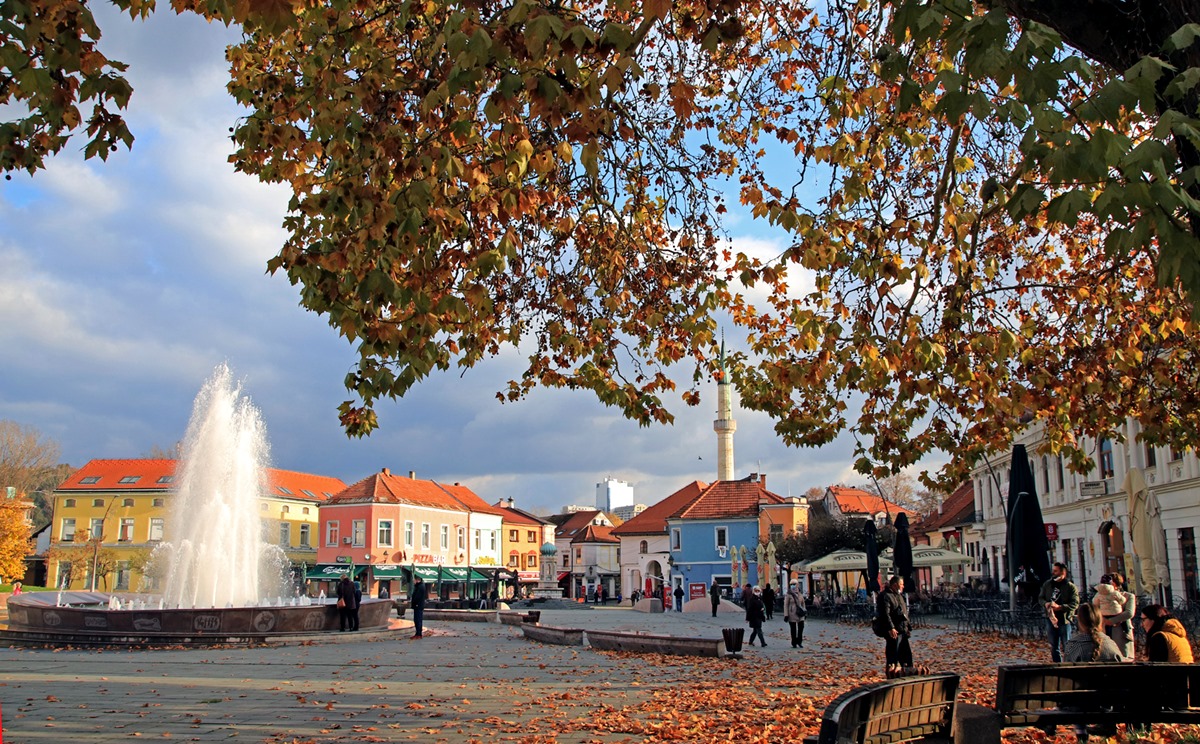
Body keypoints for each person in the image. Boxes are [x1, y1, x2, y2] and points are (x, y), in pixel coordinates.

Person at [1062, 603, 1124, 741]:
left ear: (1080, 621)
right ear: (1099, 620)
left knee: (1074, 691)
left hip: (1080, 703)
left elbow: (1065, 676)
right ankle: (1107, 727)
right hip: (1107, 703)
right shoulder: (1110, 644)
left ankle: (1081, 731)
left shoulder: (1073, 644)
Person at [1039, 562, 1079, 662]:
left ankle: (1068, 664)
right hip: (1050, 618)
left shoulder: (1070, 587)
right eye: (1053, 571)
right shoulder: (1048, 584)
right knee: (1053, 645)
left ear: (1063, 572)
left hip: (1064, 619)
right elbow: (1041, 598)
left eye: (1056, 571)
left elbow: (1075, 603)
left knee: (1067, 644)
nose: (1053, 573)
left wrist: (1061, 607)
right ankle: (1057, 664)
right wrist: (1045, 604)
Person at [874, 575, 912, 677]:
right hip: (893, 631)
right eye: (901, 584)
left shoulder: (899, 595)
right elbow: (885, 614)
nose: (903, 586)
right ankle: (891, 676)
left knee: (906, 656)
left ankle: (907, 674)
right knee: (892, 656)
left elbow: (903, 612)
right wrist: (891, 627)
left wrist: (908, 627)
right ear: (895, 585)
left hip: (902, 630)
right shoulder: (885, 596)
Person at [1097, 573, 1136, 659]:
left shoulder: (1128, 596)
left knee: (1123, 656)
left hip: (1122, 630)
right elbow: (1096, 609)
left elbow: (1129, 613)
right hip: (1105, 629)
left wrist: (1112, 621)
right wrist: (1102, 619)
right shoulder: (1101, 596)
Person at [784, 581, 807, 649]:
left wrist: (805, 612)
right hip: (792, 613)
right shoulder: (788, 594)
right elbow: (786, 605)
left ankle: (799, 642)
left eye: (794, 584)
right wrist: (786, 615)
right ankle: (794, 642)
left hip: (800, 613)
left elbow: (803, 603)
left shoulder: (800, 594)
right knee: (793, 629)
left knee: (801, 628)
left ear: (797, 585)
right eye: (792, 584)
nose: (793, 586)